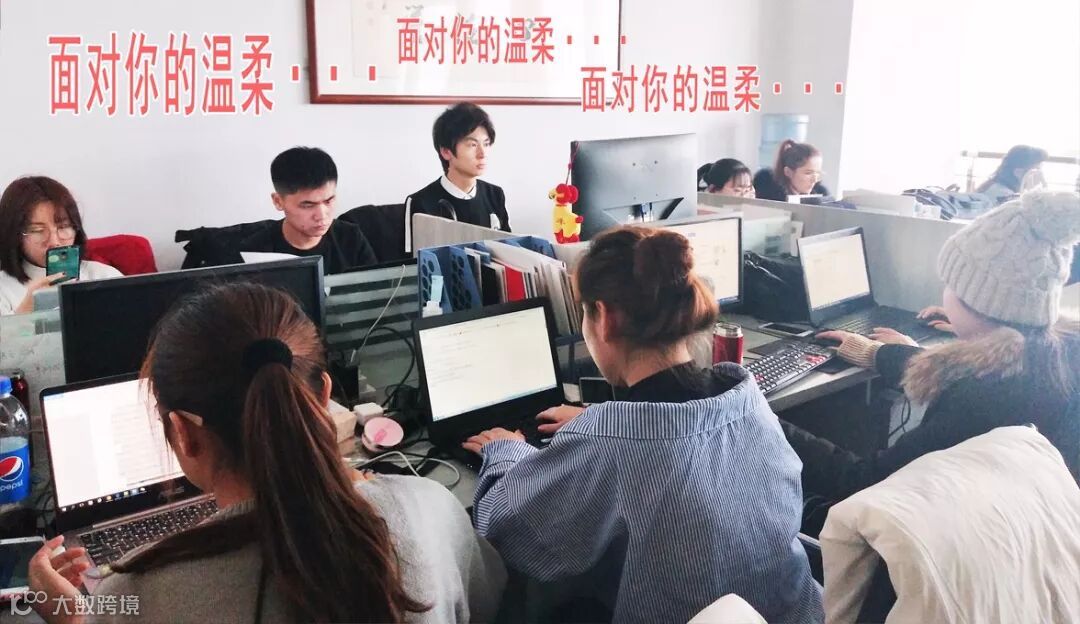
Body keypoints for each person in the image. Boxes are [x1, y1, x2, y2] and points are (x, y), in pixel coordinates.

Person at [28, 283, 506, 623]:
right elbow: (491, 602)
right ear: (322, 397)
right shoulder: (430, 506)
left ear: (182, 433)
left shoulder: (138, 593)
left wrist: (73, 615)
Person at [462, 227, 823, 624]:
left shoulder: (613, 443)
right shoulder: (743, 397)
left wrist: (505, 450)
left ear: (604, 318)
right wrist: (600, 426)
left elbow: (505, 527)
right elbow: (671, 439)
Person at [784, 191, 1080, 513]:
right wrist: (880, 352)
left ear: (977, 301)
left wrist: (761, 421)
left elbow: (865, 482)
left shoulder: (982, 395)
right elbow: (964, 372)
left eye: (951, 283)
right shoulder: (1058, 354)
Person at [239, 147, 377, 274]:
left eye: (329, 201)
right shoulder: (256, 252)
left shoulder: (351, 238)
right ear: (278, 201)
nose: (321, 216)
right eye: (307, 205)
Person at [0, 176, 121, 315]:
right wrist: (25, 312)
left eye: (63, 227)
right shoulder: (3, 289)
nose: (54, 241)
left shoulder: (105, 276)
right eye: (37, 230)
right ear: (13, 235)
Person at [404, 102, 510, 253]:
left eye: (486, 144)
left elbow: (509, 252)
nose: (482, 154)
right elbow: (412, 262)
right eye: (472, 145)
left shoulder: (495, 195)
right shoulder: (420, 202)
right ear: (446, 152)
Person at [753, 140, 829, 201]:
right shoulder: (770, 195)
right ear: (788, 172)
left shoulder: (821, 196)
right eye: (808, 173)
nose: (814, 180)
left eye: (818, 173)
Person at [975, 144, 1049, 206]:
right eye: (1037, 169)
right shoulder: (1007, 197)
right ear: (1018, 172)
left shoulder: (994, 186)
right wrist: (1032, 192)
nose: (1040, 174)